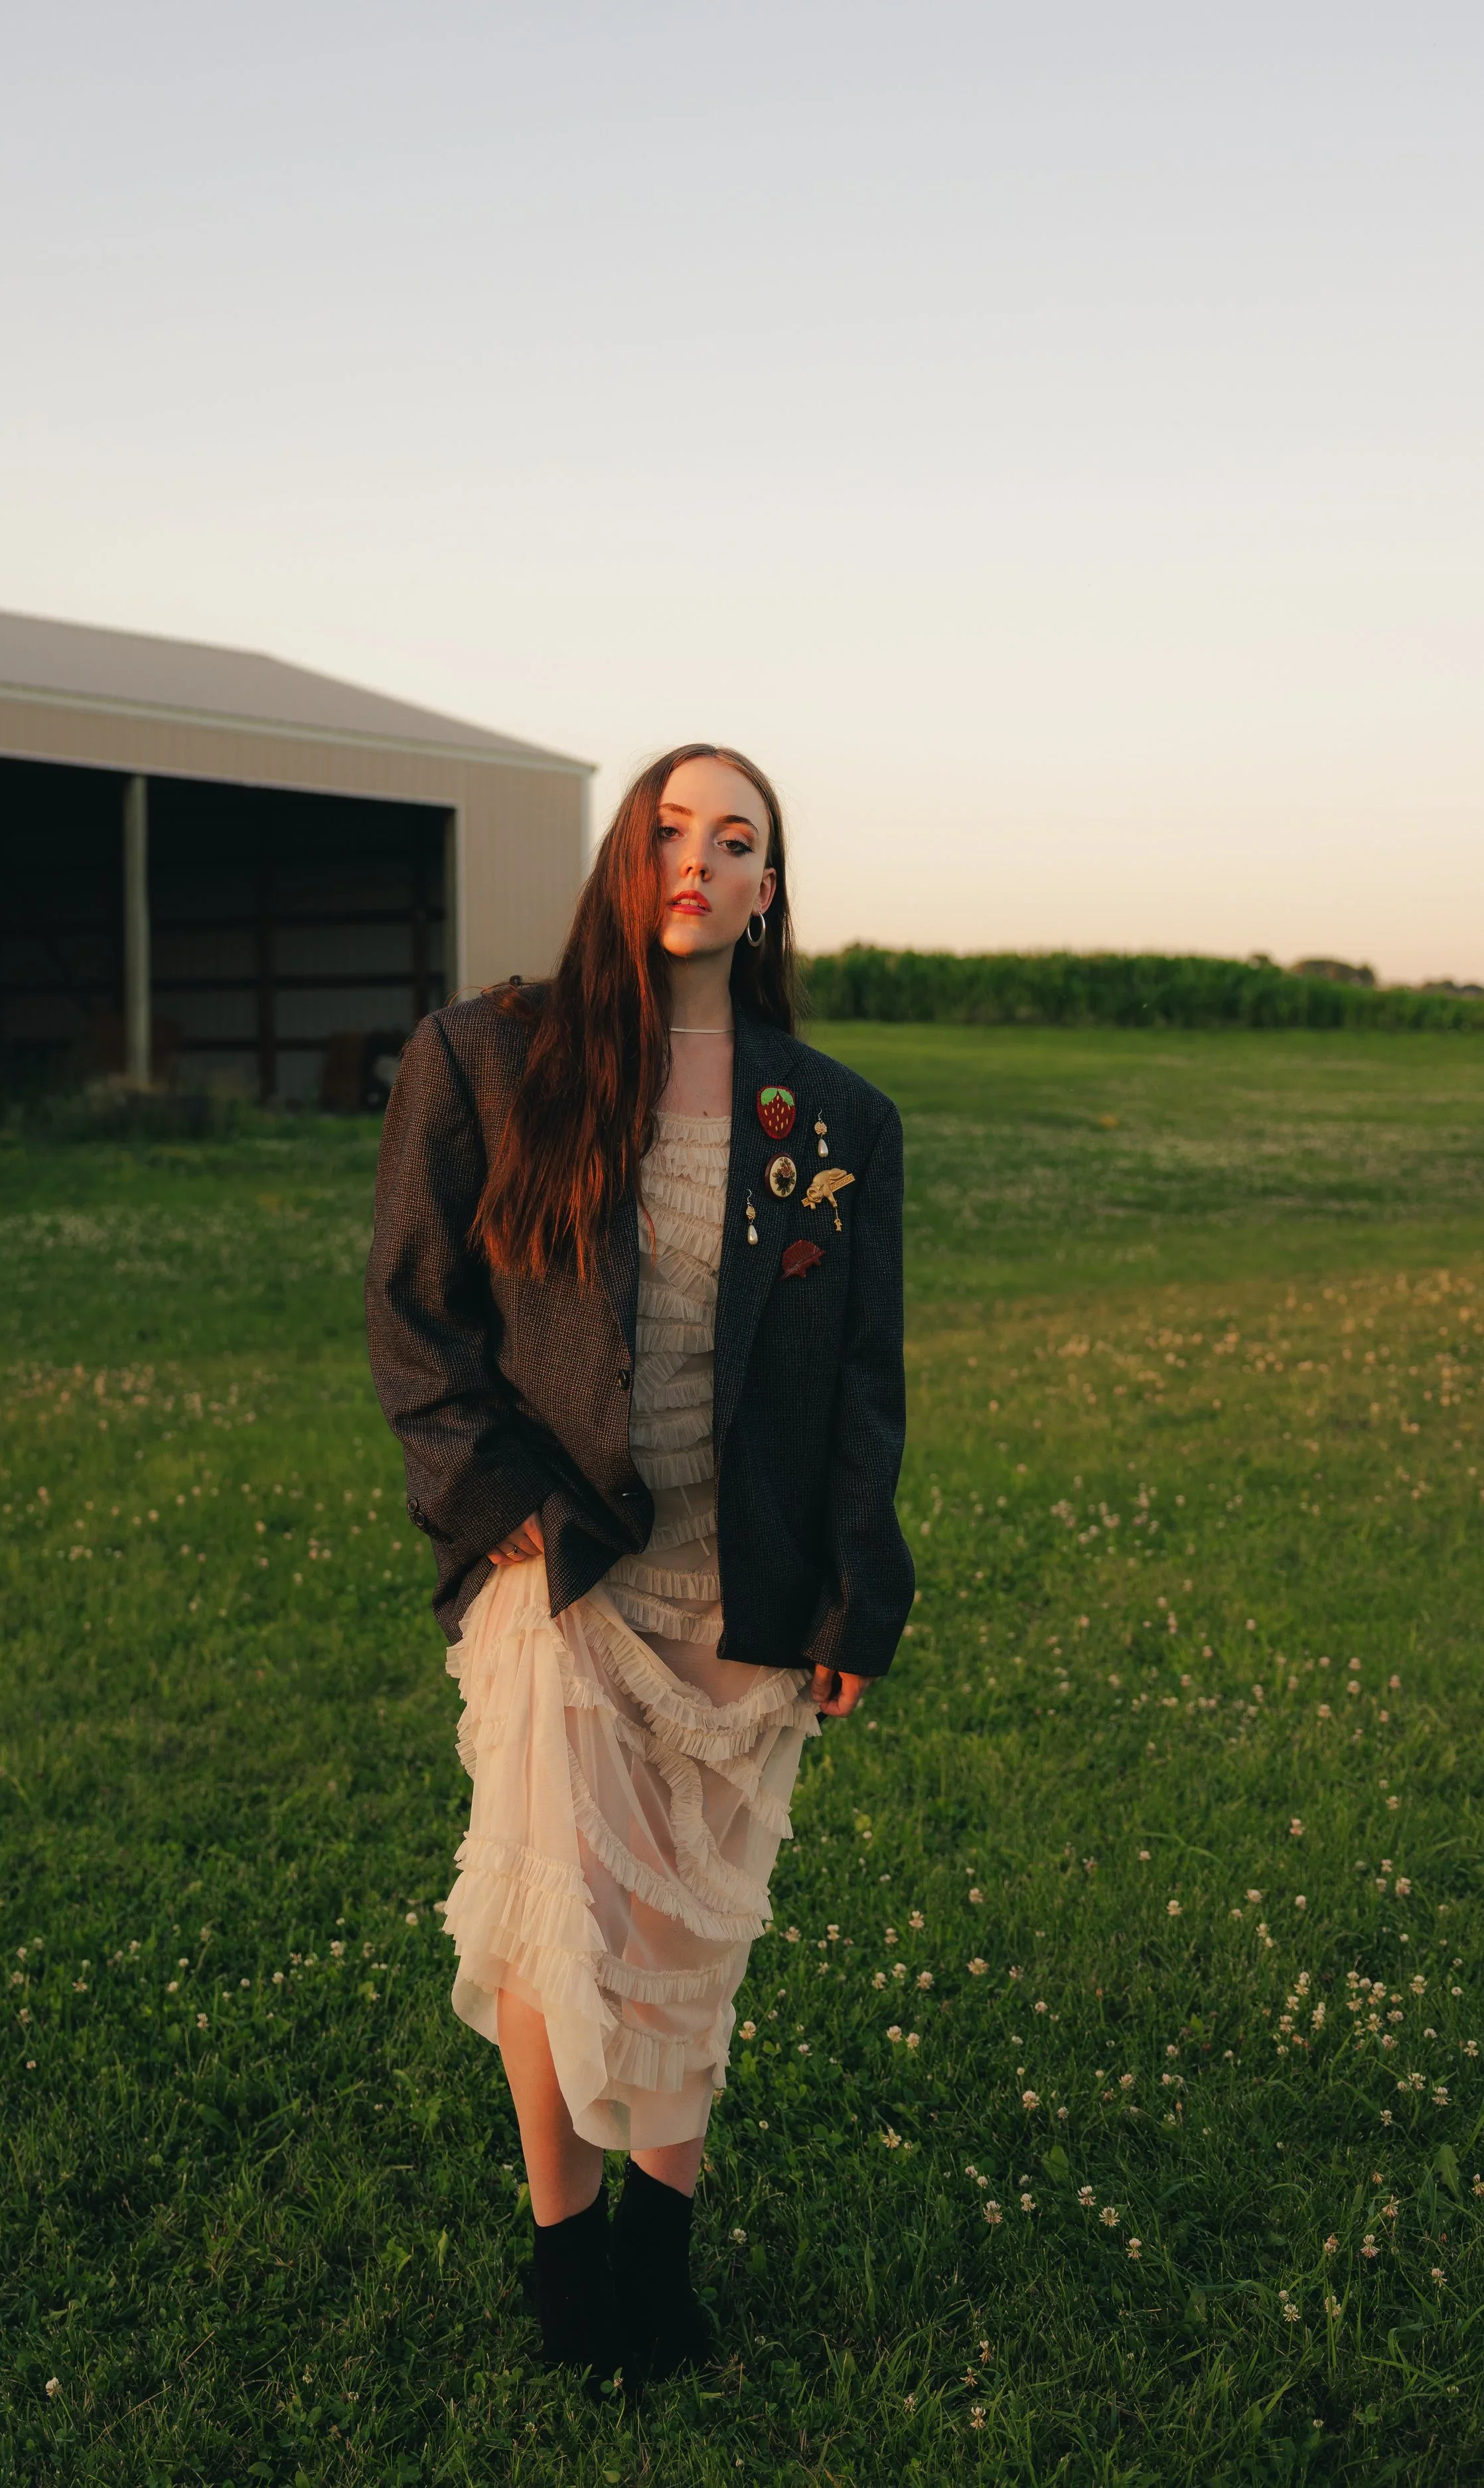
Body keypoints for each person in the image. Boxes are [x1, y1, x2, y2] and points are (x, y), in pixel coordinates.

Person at [365, 744, 914, 2389]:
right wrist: (494, 1497)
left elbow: (859, 1383)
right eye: (671, 828)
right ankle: (564, 2249)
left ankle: (660, 2257)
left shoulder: (832, 1119)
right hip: (563, 1570)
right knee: (557, 1915)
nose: (698, 857)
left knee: (690, 1935)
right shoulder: (484, 1055)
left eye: (733, 839)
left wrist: (849, 1591)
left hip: (736, 1578)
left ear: (766, 892)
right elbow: (415, 1314)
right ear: (626, 858)